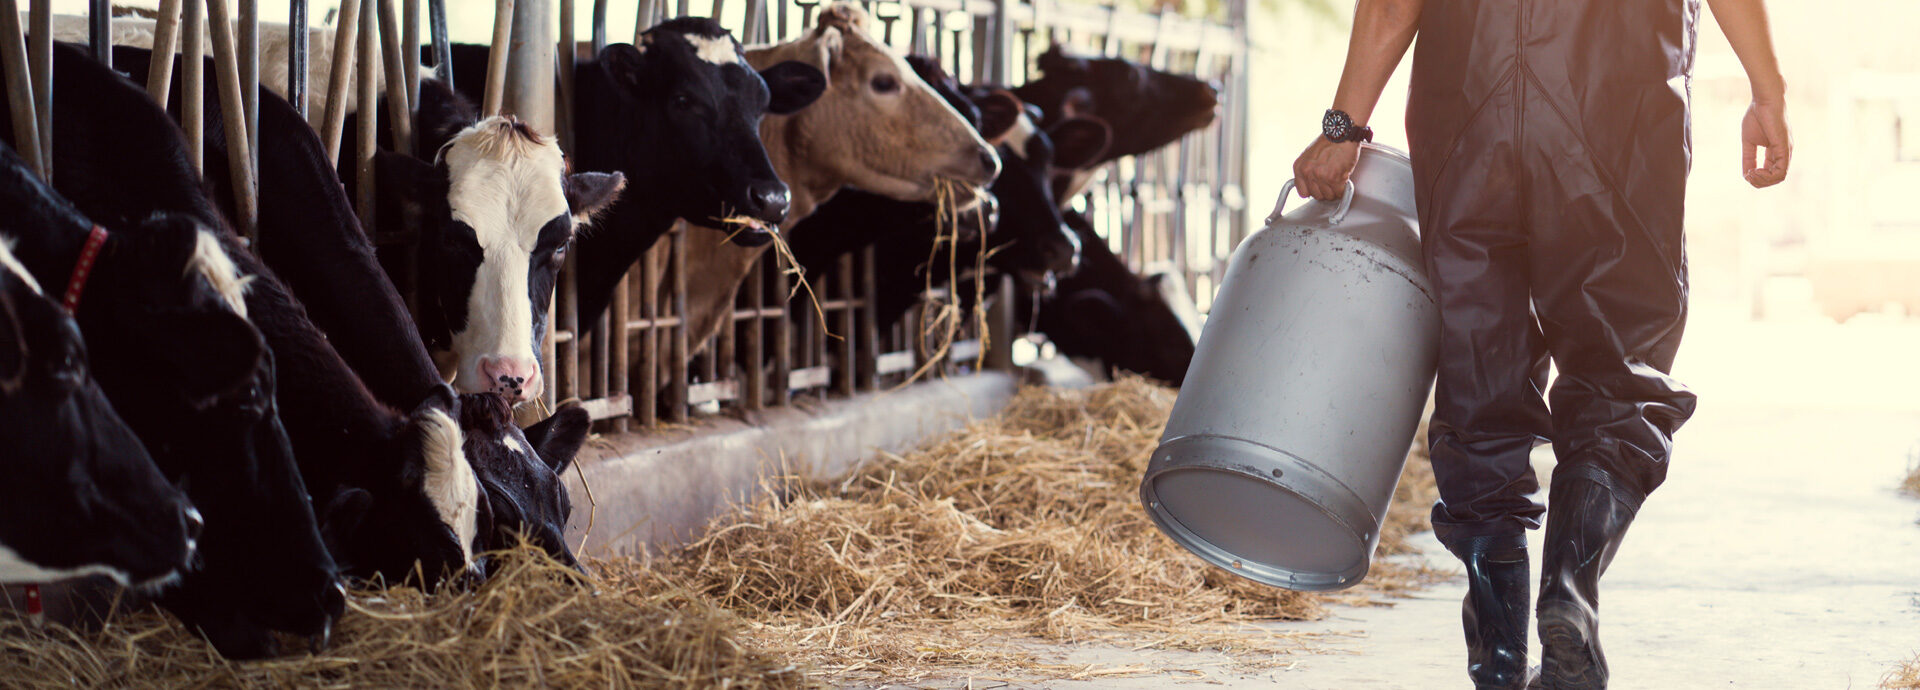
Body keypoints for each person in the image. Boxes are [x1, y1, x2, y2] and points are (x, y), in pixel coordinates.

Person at [1292, 0, 1790, 688]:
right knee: (1619, 372)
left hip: (1467, 123)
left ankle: (1497, 654)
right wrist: (1769, 91)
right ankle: (1569, 591)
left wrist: (1342, 128)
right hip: (1617, 122)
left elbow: (1389, 5)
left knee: (1479, 375)